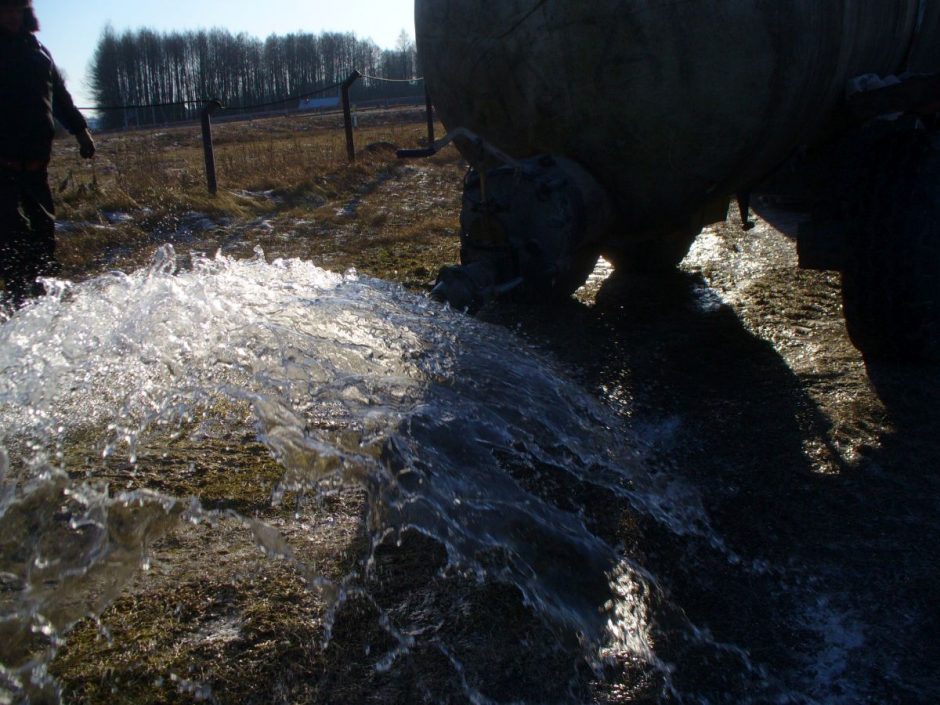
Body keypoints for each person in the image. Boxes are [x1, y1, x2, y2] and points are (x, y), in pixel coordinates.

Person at [1, 0, 95, 307]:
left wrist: (81, 131)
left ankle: (44, 295)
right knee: (11, 232)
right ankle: (17, 299)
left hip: (37, 160)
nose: (12, 16)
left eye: (17, 10)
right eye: (5, 11)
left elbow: (61, 98)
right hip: (2, 162)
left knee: (43, 230)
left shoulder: (39, 52)